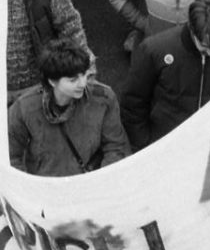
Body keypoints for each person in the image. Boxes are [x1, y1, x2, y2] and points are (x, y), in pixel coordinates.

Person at [120, 0, 210, 150]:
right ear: (192, 30)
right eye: (205, 47)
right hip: (167, 145)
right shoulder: (154, 50)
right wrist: (145, 145)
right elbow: (133, 103)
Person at [8, 40, 128, 176]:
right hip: (47, 187)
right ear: (52, 81)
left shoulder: (104, 98)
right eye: (73, 80)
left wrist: (100, 182)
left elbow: (115, 146)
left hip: (90, 183)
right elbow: (10, 157)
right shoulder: (25, 108)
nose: (83, 84)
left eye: (84, 74)